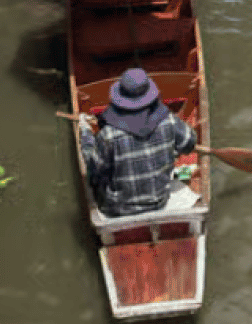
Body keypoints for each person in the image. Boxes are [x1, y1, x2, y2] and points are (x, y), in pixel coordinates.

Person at [79, 67, 197, 217]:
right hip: (160, 201)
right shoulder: (169, 121)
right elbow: (190, 143)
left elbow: (94, 171)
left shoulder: (108, 135)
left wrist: (86, 133)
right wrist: (169, 149)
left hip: (117, 209)